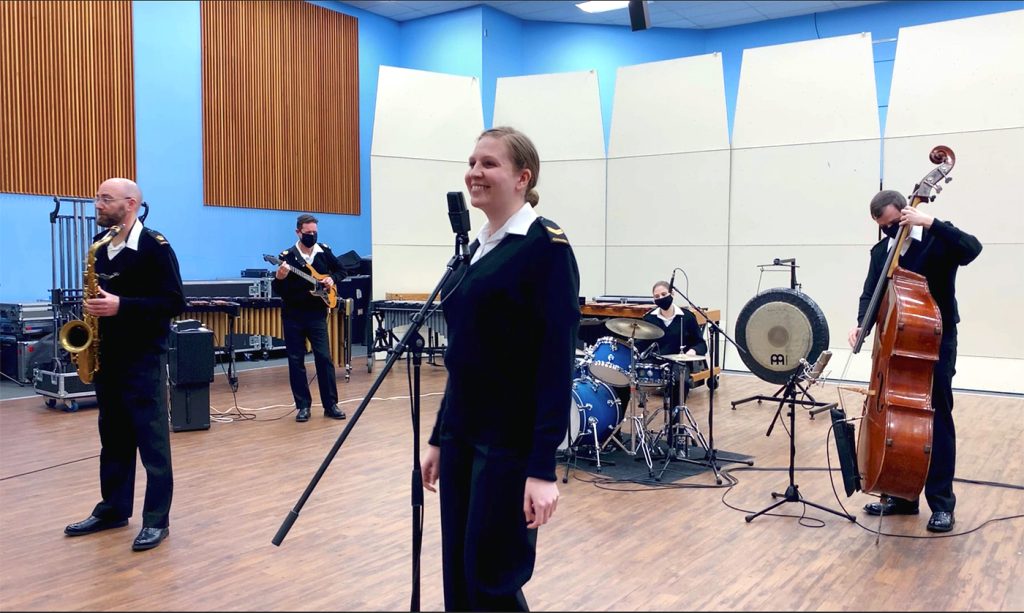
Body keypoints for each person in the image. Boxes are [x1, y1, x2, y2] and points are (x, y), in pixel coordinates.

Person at [421, 126, 580, 611]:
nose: (474, 172)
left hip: (507, 445)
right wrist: (438, 436)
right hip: (463, 437)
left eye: (488, 163)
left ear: (521, 177)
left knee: (492, 579)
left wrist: (542, 468)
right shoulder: (478, 248)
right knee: (460, 574)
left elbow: (556, 364)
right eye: (471, 162)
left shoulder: (545, 248)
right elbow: (467, 359)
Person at [847, 190, 981, 533]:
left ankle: (942, 504)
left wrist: (931, 222)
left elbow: (972, 249)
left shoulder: (937, 237)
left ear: (906, 213)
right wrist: (862, 323)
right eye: (883, 227)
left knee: (935, 419)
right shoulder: (882, 252)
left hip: (934, 342)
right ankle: (901, 494)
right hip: (894, 346)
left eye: (894, 224)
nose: (890, 232)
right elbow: (870, 293)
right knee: (895, 418)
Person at [63, 177, 185, 552]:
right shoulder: (100, 247)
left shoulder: (155, 247)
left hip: (143, 358)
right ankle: (114, 508)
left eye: (105, 199)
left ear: (130, 204)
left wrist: (122, 306)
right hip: (108, 358)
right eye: (98, 198)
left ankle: (156, 521)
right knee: (112, 439)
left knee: (152, 443)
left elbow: (174, 302)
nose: (97, 204)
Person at [272, 214, 347, 422]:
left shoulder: (324, 251)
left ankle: (331, 404)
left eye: (314, 232)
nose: (312, 236)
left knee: (324, 358)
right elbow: (277, 289)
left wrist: (332, 279)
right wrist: (279, 277)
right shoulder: (286, 256)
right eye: (308, 233)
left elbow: (342, 270)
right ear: (298, 232)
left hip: (316, 315)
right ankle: (303, 406)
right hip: (293, 315)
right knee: (296, 361)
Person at [638, 280, 708, 405]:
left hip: (678, 363)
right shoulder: (649, 319)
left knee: (681, 382)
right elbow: (640, 344)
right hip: (655, 363)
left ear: (672, 293)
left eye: (664, 294)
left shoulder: (686, 317)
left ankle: (675, 420)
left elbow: (701, 344)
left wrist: (692, 351)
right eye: (657, 296)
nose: (661, 298)